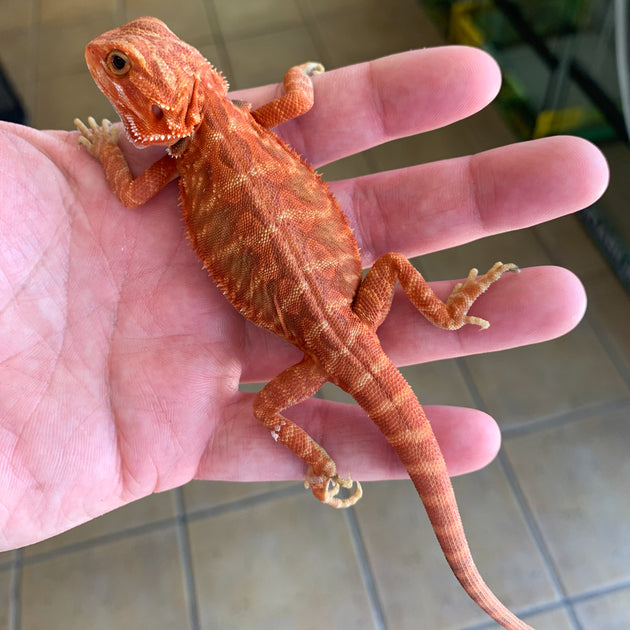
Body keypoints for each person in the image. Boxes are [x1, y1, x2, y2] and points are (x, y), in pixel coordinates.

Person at [0, 46, 608, 551]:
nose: (109, 69)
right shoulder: (234, 123)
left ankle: (324, 458)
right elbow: (299, 101)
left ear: (166, 104)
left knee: (270, 408)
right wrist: (298, 76)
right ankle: (446, 314)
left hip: (328, 332)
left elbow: (132, 194)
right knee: (387, 271)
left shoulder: (199, 148)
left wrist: (106, 149)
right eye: (119, 65)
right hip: (348, 311)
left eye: (121, 67)